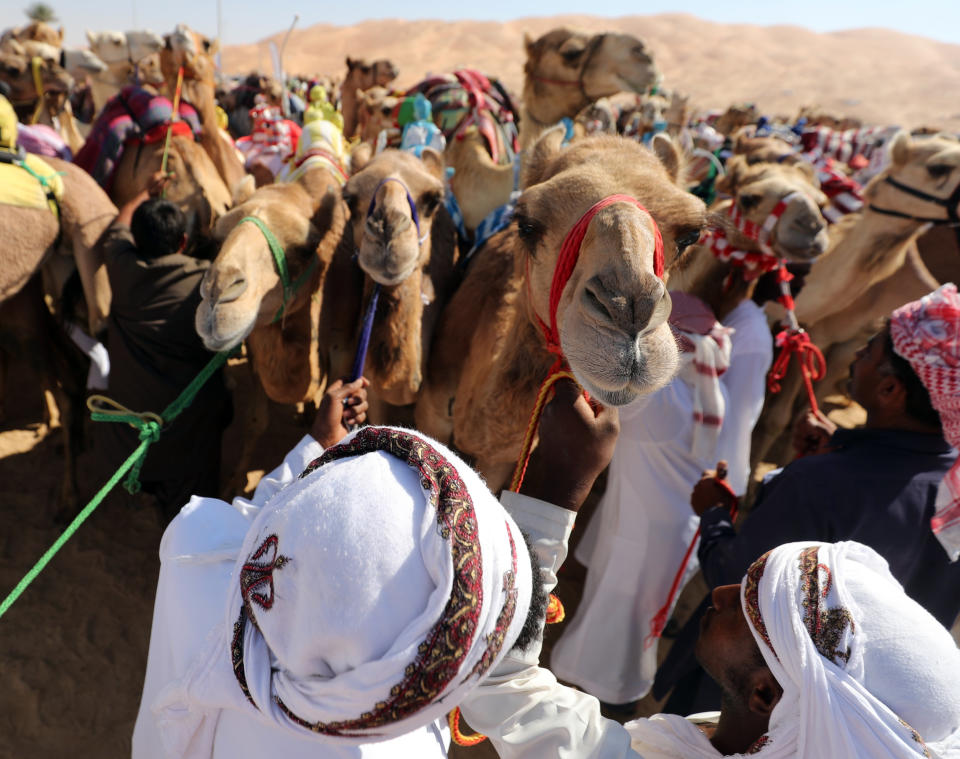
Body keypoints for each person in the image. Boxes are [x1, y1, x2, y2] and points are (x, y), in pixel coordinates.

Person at [131, 377, 619, 758]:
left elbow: (266, 531)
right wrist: (555, 496)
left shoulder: (197, 555)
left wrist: (315, 449)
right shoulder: (398, 741)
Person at [657, 283, 960, 714]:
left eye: (869, 350)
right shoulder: (953, 491)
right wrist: (844, 449)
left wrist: (713, 513)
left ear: (891, 391)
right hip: (865, 714)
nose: (857, 355)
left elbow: (737, 579)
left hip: (752, 699)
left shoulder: (819, 484)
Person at [551, 283, 772, 710]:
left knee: (618, 619)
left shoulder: (659, 397)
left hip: (646, 530)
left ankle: (606, 697)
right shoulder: (710, 391)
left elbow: (594, 379)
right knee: (633, 615)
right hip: (665, 527)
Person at [98, 172, 231, 522]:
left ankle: (149, 490)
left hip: (130, 441)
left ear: (136, 242)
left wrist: (144, 191)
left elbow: (117, 227)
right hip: (188, 442)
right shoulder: (206, 282)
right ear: (184, 241)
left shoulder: (121, 265)